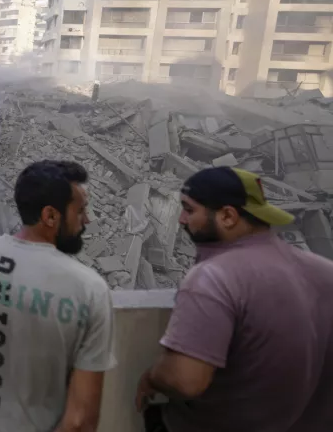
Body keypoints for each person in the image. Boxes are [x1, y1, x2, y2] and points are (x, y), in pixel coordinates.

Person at [136, 167, 333, 432]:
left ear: (228, 216)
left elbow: (185, 380)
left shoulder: (214, 278)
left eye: (189, 209)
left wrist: (153, 376)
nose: (181, 219)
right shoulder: (324, 271)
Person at [0, 160, 115, 432]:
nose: (87, 219)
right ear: (50, 216)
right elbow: (80, 421)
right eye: (80, 211)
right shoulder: (89, 290)